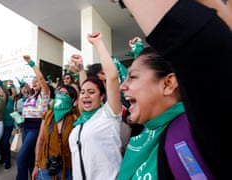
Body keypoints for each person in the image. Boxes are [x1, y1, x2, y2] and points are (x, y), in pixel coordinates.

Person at [112, 0, 232, 178]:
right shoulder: (140, 137)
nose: (122, 86)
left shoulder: (200, 129)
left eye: (133, 76)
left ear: (168, 84)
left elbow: (206, 47)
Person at [69, 32, 122, 179]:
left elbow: (112, 77)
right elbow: (84, 86)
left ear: (102, 96)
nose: (85, 95)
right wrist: (80, 67)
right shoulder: (82, 120)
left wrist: (98, 43)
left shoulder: (109, 114)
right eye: (83, 93)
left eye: (92, 92)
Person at [32, 84, 79, 180]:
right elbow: (40, 140)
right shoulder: (48, 115)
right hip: (46, 165)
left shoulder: (76, 117)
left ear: (73, 100)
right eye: (60, 92)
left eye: (66, 94)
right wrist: (36, 165)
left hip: (68, 167)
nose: (62, 95)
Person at [16, 55, 50, 180]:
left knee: (20, 157)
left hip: (36, 127)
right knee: (29, 157)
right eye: (33, 81)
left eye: (37, 81)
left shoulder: (44, 95)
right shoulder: (30, 97)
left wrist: (31, 63)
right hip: (25, 126)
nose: (35, 82)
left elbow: (41, 78)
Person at [0, 80, 17, 170]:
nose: (1, 92)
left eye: (2, 91)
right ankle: (3, 159)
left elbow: (14, 93)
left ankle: (8, 161)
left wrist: (12, 84)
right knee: (0, 143)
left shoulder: (10, 98)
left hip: (8, 124)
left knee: (5, 143)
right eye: (0, 91)